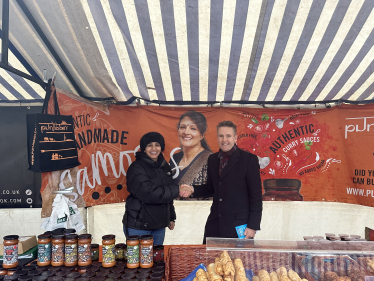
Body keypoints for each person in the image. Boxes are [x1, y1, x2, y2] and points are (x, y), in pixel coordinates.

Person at [180, 121, 263, 243]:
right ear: (217, 137)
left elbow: (256, 196)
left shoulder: (249, 160)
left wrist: (253, 226)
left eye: (228, 136)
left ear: (235, 138)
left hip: (239, 226)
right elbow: (211, 188)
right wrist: (192, 190)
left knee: (236, 261)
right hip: (215, 224)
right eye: (221, 136)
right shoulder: (213, 159)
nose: (225, 140)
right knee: (211, 260)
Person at [122, 132, 179, 245]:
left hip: (159, 225)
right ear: (144, 148)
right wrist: (178, 190)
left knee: (156, 260)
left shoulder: (164, 166)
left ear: (161, 148)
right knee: (138, 261)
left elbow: (168, 195)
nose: (154, 148)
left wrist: (171, 217)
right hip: (139, 226)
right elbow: (149, 193)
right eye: (149, 145)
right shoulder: (136, 168)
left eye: (157, 145)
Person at [169, 110, 212, 194]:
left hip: (200, 207)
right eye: (182, 127)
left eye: (193, 128)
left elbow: (217, 189)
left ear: (202, 135)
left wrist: (193, 190)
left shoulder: (211, 159)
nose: (186, 132)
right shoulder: (175, 158)